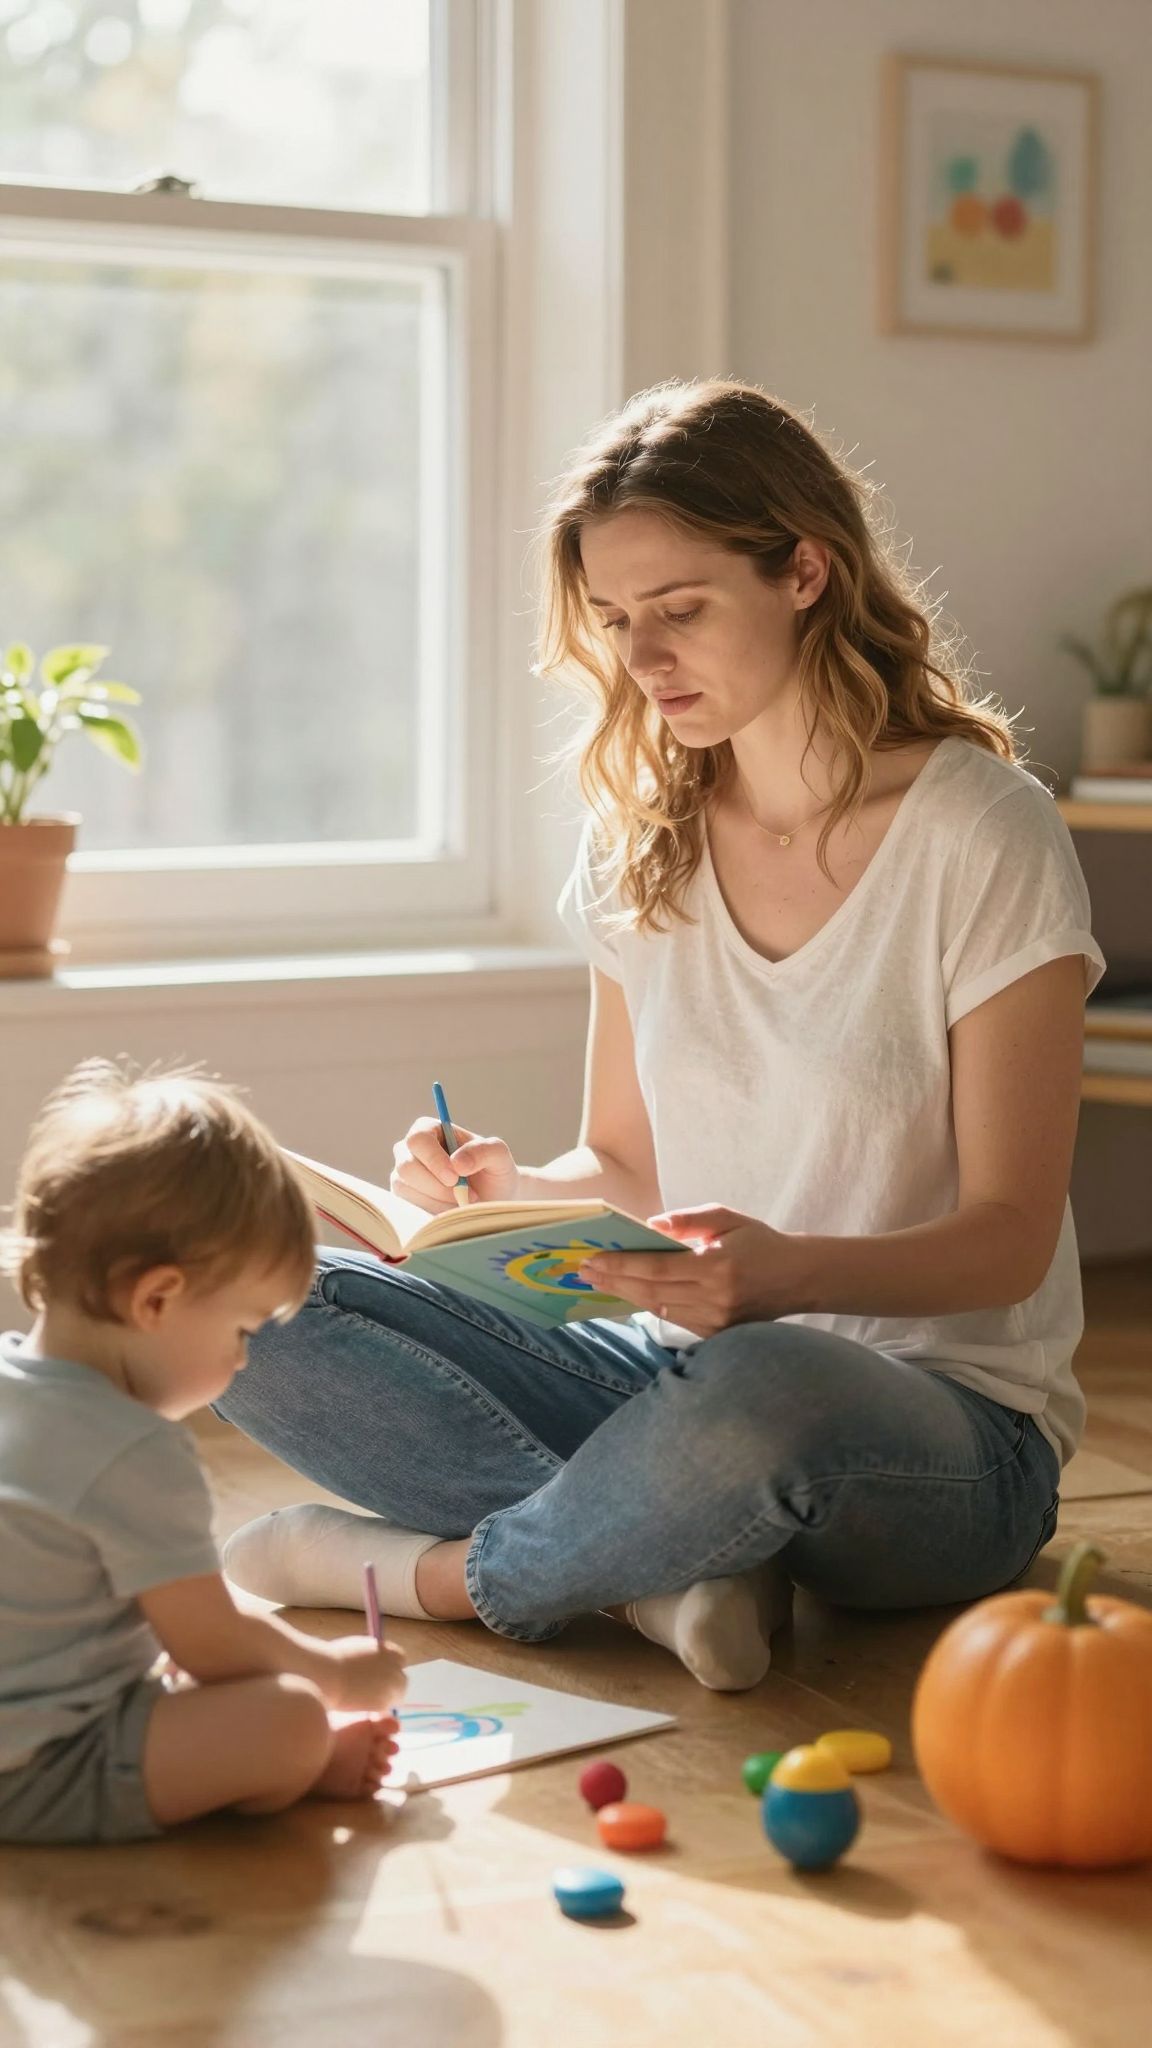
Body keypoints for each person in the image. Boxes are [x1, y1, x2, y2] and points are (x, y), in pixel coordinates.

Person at [219, 378, 1105, 1692]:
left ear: (805, 570)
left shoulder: (984, 833)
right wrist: (497, 1195)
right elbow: (626, 1168)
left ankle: (449, 1577)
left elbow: (1010, 1235)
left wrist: (784, 1278)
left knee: (765, 1390)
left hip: (938, 1438)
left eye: (681, 611)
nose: (641, 661)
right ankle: (669, 1572)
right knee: (246, 1291)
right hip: (681, 1371)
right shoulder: (644, 843)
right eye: (618, 620)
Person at [0, 1059, 406, 1845]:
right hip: (37, 1768)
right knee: (285, 1716)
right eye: (243, 1331)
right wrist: (337, 1674)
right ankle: (311, 1766)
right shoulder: (132, 1450)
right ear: (156, 1300)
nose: (246, 1361)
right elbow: (215, 1643)